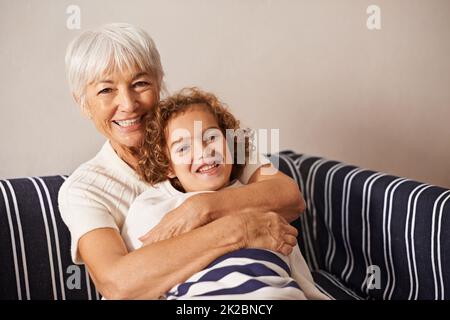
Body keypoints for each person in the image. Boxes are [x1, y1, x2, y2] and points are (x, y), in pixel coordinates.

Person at [58, 23, 306, 300]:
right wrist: (239, 229)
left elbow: (289, 198)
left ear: (159, 82)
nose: (128, 104)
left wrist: (203, 207)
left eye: (140, 84)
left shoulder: (214, 141)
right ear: (82, 102)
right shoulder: (84, 190)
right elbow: (119, 284)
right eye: (106, 90)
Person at [121, 87, 328, 300]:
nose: (204, 151)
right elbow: (140, 278)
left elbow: (292, 254)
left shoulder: (253, 195)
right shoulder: (155, 205)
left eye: (211, 137)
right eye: (183, 148)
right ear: (168, 167)